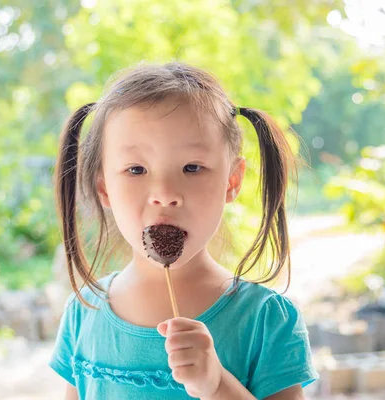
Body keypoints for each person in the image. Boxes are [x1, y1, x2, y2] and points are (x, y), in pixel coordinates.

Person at [49, 62, 318, 399]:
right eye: (136, 169)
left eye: (192, 167)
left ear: (232, 181)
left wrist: (218, 385)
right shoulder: (82, 313)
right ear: (104, 188)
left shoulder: (266, 321)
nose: (165, 193)